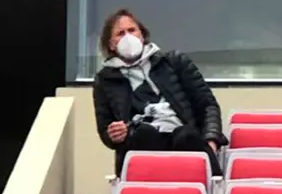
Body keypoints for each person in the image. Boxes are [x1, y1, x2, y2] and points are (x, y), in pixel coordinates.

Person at [92, 9, 227, 177]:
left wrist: (211, 141)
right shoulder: (104, 80)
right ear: (111, 44)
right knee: (145, 134)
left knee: (186, 136)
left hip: (184, 139)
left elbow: (208, 105)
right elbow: (105, 129)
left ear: (142, 35)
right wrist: (114, 135)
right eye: (120, 33)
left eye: (132, 30)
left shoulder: (174, 62)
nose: (128, 37)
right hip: (143, 144)